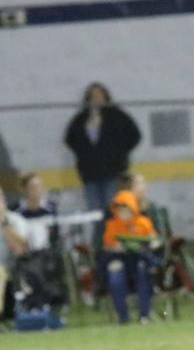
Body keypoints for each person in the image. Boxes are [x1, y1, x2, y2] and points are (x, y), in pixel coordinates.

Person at [64, 82, 142, 212]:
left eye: (99, 95)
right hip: (89, 174)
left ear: (106, 97)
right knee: (94, 211)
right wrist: (84, 155)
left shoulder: (117, 115)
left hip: (113, 172)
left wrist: (119, 153)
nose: (96, 98)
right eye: (93, 96)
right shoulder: (81, 119)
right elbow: (70, 139)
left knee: (112, 208)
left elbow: (135, 135)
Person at [102, 190, 159, 324]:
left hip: (139, 259)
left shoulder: (143, 222)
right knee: (115, 275)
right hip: (120, 259)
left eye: (126, 209)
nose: (123, 213)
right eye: (120, 210)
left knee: (142, 272)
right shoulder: (112, 224)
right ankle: (123, 316)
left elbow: (154, 240)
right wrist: (115, 247)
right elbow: (106, 246)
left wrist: (148, 244)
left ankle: (144, 315)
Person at [0, 186, 28, 322]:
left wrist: (4, 223)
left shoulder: (16, 220)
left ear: (3, 201)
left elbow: (19, 248)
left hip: (13, 268)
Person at [16, 173, 58, 252]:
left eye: (39, 186)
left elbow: (56, 234)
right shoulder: (16, 211)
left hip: (48, 254)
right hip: (25, 255)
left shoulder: (51, 208)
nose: (37, 190)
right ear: (24, 189)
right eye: (33, 187)